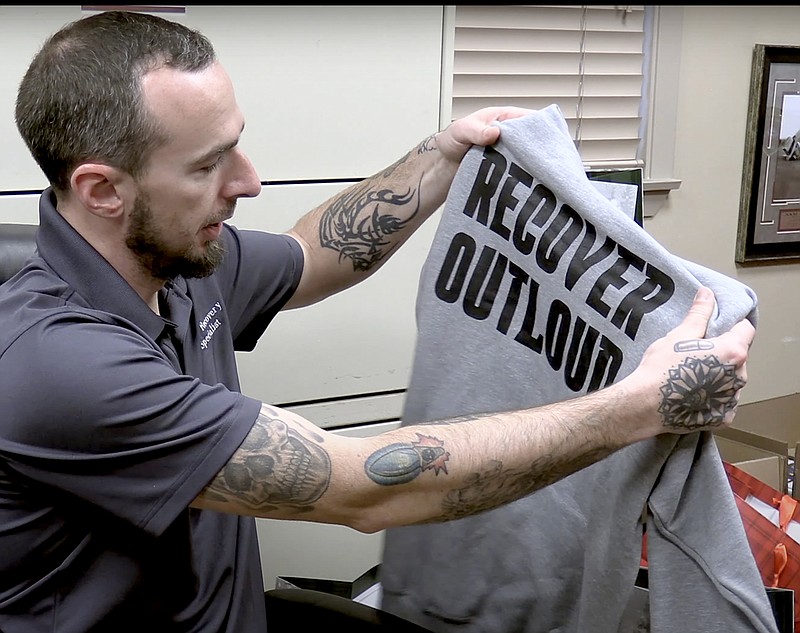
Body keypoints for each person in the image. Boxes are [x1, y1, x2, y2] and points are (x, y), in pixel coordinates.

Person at [0, 9, 754, 633]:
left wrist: (440, 158)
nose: (249, 180)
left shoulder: (176, 256)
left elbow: (309, 254)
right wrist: (639, 405)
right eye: (208, 165)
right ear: (102, 189)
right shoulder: (61, 365)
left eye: (236, 144)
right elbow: (364, 488)